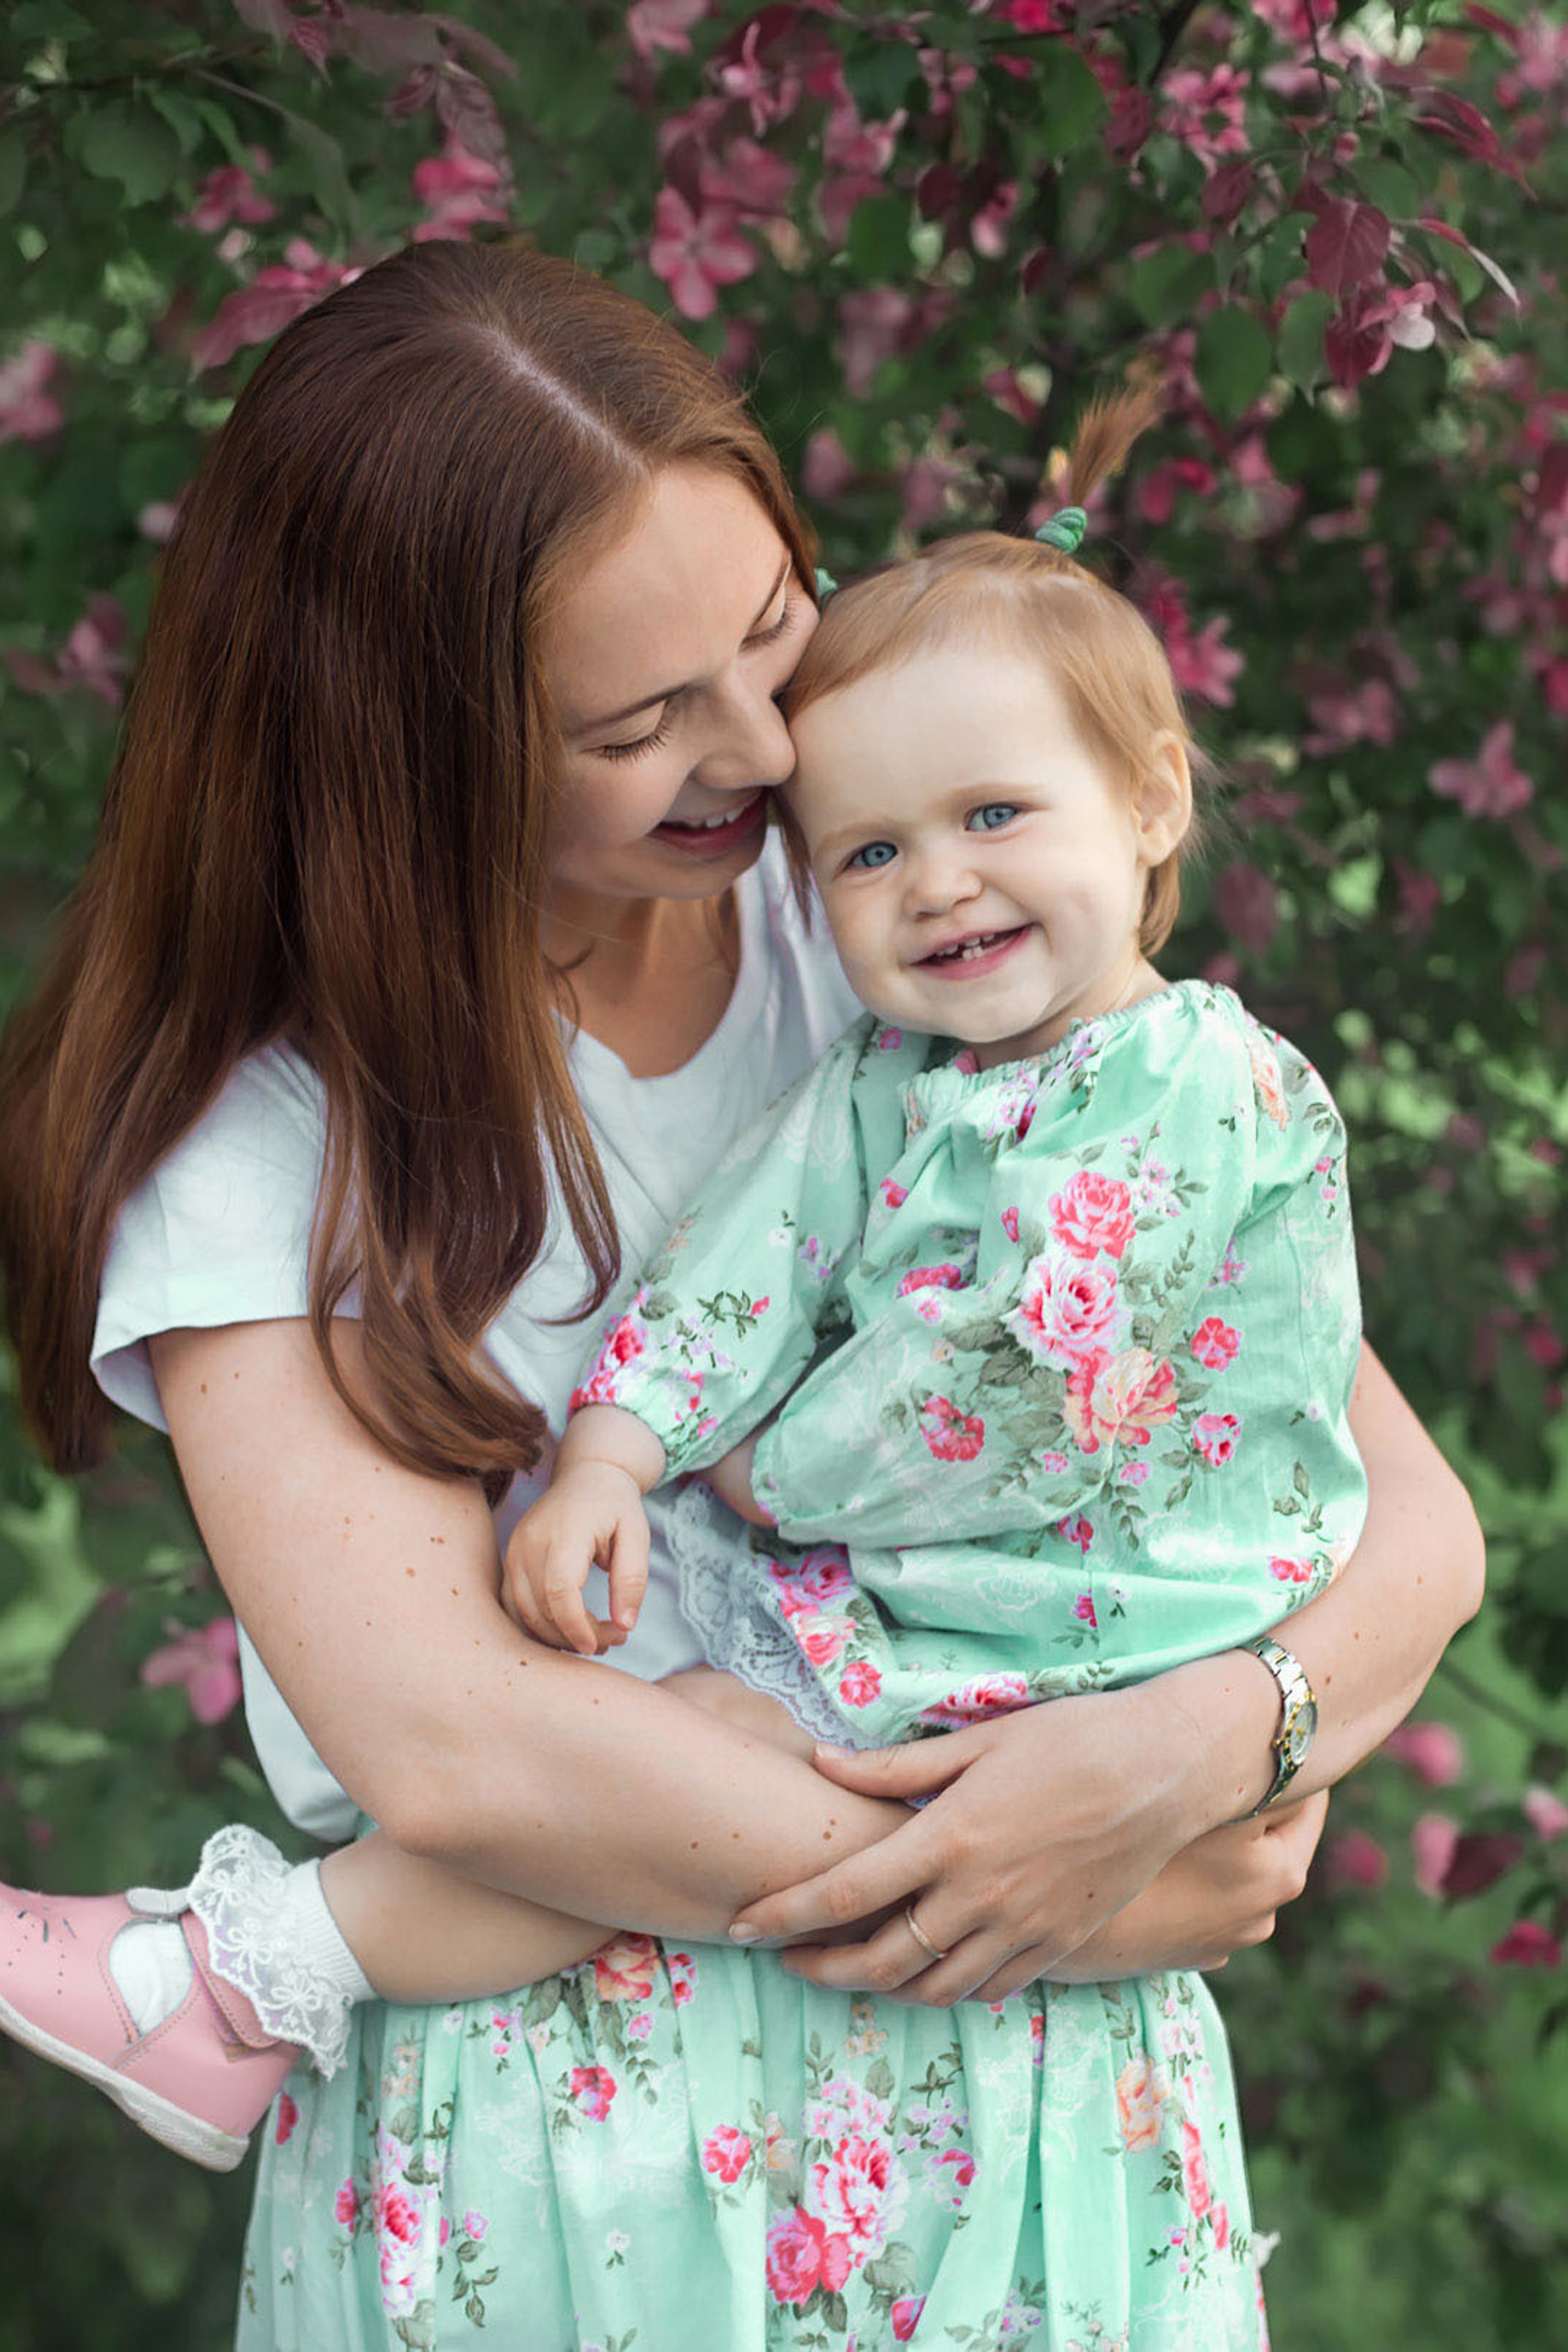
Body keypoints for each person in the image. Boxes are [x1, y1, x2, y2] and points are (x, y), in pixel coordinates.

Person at [0, 243, 1482, 2351]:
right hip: (583, 2169)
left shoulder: (900, 928)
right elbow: (466, 1755)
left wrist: (1223, 1734)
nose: (772, 748)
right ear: (409, 750)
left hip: (1043, 2120)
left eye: (773, 630)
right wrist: (1112, 1880)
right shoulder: (267, 1145)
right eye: (640, 722)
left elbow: (1403, 1518)